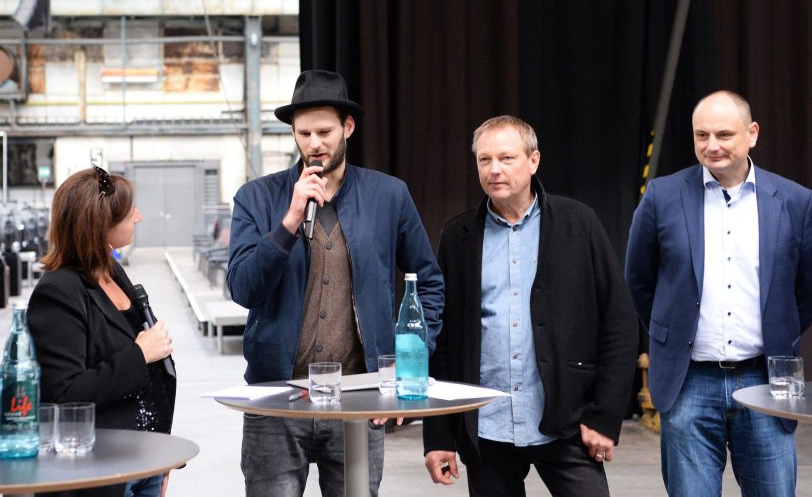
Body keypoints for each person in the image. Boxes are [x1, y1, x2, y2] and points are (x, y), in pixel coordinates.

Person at [227, 69, 444, 497]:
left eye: (324, 131)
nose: (314, 144)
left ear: (348, 127)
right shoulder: (256, 198)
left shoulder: (389, 196)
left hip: (360, 398)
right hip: (275, 397)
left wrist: (408, 364)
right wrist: (288, 221)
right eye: (303, 133)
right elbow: (243, 289)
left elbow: (430, 283)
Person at [422, 115, 638, 496]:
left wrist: (605, 416)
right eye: (484, 160)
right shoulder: (458, 237)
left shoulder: (578, 223)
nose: (494, 169)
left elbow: (619, 323)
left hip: (567, 422)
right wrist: (438, 435)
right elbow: (445, 342)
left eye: (506, 158)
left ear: (533, 161)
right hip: (487, 426)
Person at [625, 90, 812, 496]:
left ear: (753, 134)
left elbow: (806, 288)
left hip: (765, 380)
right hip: (689, 380)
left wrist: (781, 327)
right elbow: (639, 279)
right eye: (702, 135)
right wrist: (670, 333)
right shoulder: (661, 197)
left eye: (724, 134)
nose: (712, 146)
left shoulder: (796, 202)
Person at [27, 166, 176, 497]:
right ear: (100, 222)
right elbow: (63, 396)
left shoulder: (113, 271)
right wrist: (140, 354)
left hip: (145, 458)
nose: (138, 216)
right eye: (129, 211)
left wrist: (162, 457)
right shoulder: (59, 291)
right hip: (100, 473)